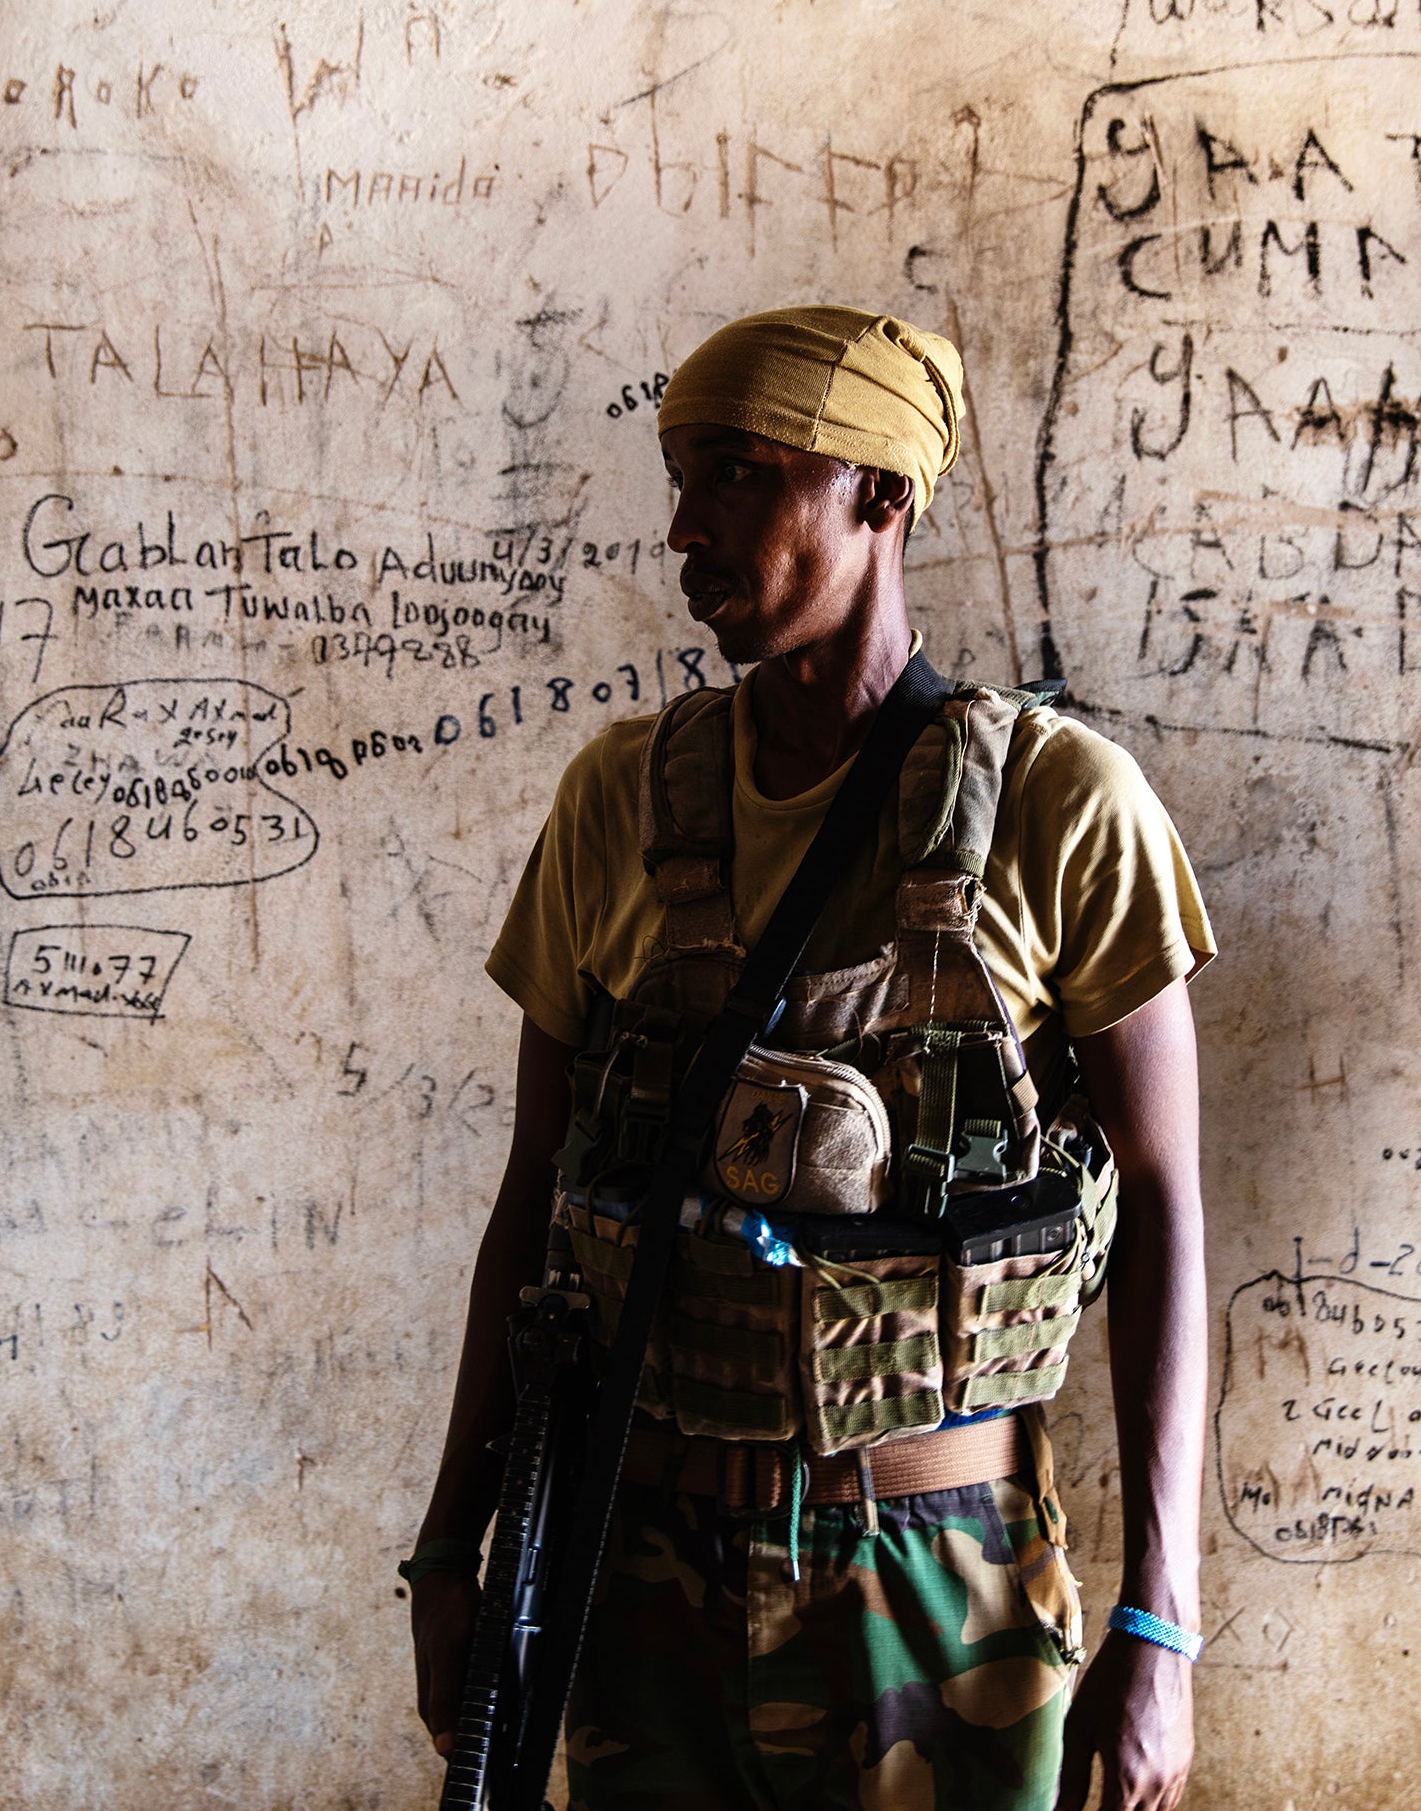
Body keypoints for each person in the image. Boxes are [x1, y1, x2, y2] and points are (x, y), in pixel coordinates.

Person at [405, 305, 1215, 1811]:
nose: (686, 527)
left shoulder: (1062, 806)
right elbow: (539, 1194)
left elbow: (1165, 1213)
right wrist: (454, 1547)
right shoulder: (619, 804)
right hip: (638, 1566)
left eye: (736, 476)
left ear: (880, 496)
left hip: (935, 1578)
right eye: (678, 479)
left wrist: (1160, 1624)